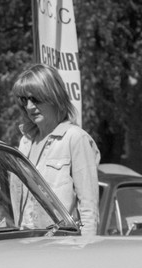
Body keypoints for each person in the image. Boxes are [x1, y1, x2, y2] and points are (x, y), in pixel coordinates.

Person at [11, 63, 100, 235]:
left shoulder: (75, 138)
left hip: (61, 246)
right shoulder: (25, 142)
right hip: (23, 243)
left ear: (54, 96)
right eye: (24, 100)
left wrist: (86, 247)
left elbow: (89, 210)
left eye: (35, 99)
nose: (29, 106)